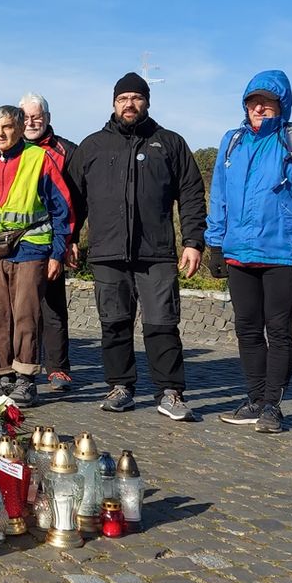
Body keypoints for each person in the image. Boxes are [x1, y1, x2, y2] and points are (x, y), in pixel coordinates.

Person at [69, 73, 206, 421]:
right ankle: (120, 388)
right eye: (122, 98)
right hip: (107, 252)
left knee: (162, 324)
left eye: (136, 97)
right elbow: (71, 200)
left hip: (156, 252)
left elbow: (191, 195)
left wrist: (192, 241)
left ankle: (170, 393)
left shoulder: (170, 143)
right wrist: (69, 240)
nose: (129, 104)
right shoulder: (93, 146)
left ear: (147, 101)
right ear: (113, 103)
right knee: (113, 323)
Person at [207, 70, 292, 433]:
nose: (259, 107)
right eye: (253, 101)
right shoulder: (232, 142)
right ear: (244, 105)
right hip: (239, 253)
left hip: (283, 253)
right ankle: (254, 399)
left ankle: (272, 406)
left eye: (267, 101)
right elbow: (219, 195)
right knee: (247, 329)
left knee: (278, 330)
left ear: (282, 104)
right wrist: (215, 243)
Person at [0, 105, 70, 407]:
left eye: (7, 127)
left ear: (21, 127)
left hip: (31, 248)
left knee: (26, 315)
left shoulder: (40, 159)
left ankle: (25, 379)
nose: (0, 134)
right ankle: (0, 377)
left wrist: (57, 253)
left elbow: (61, 209)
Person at [19, 92, 79, 392]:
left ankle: (58, 369)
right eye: (25, 117)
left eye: (36, 117)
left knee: (52, 306)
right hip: (17, 244)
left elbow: (78, 201)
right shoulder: (8, 150)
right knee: (19, 308)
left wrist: (73, 239)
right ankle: (17, 367)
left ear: (48, 119)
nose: (30, 122)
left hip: (54, 239)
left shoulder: (67, 151)